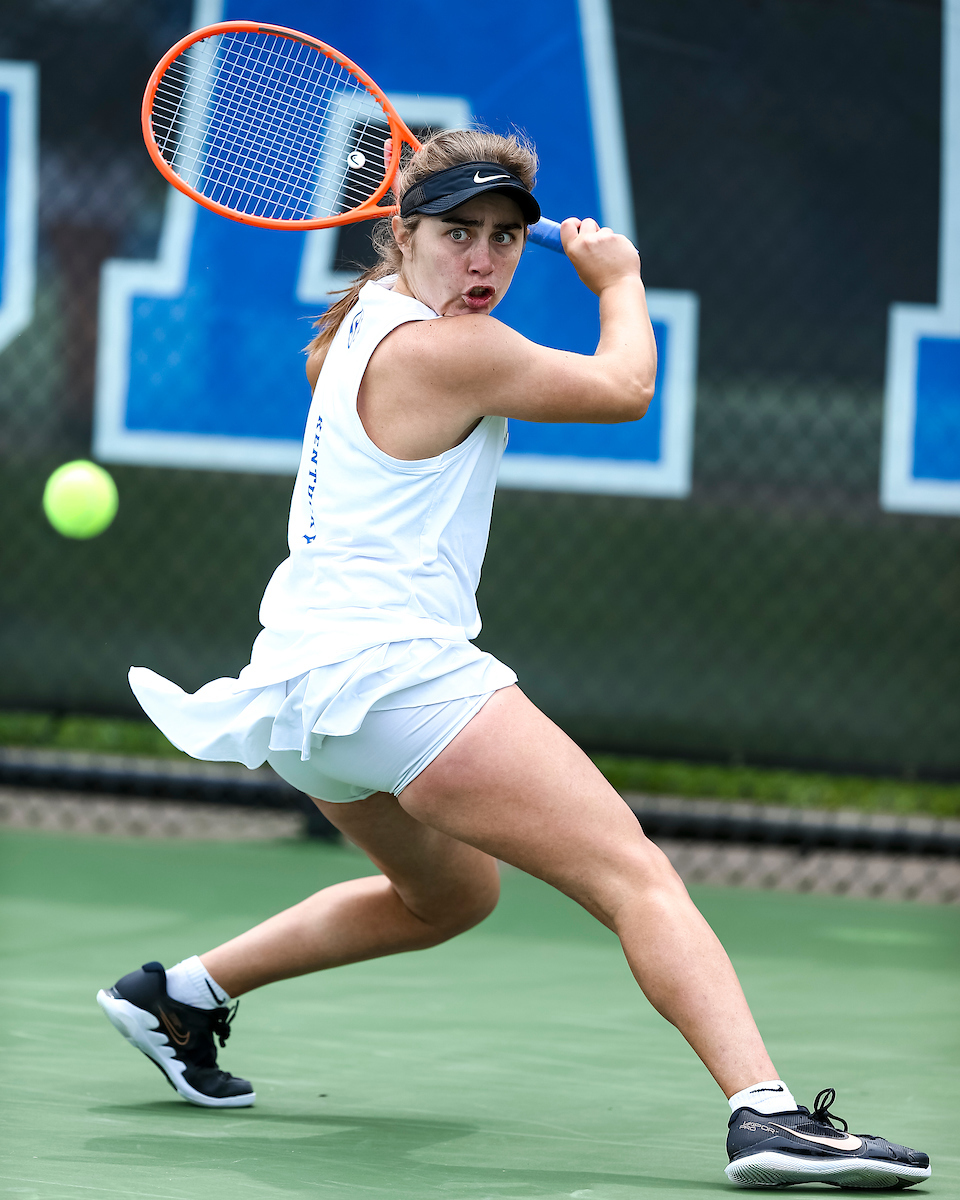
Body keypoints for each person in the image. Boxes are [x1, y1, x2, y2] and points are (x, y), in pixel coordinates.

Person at [97, 130, 930, 1190]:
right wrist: (620, 281)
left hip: (305, 697)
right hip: (397, 679)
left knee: (449, 897)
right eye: (457, 235)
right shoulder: (454, 351)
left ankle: (181, 996)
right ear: (403, 234)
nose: (483, 260)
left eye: (503, 238)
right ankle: (766, 1117)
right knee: (638, 878)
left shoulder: (360, 326)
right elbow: (626, 387)